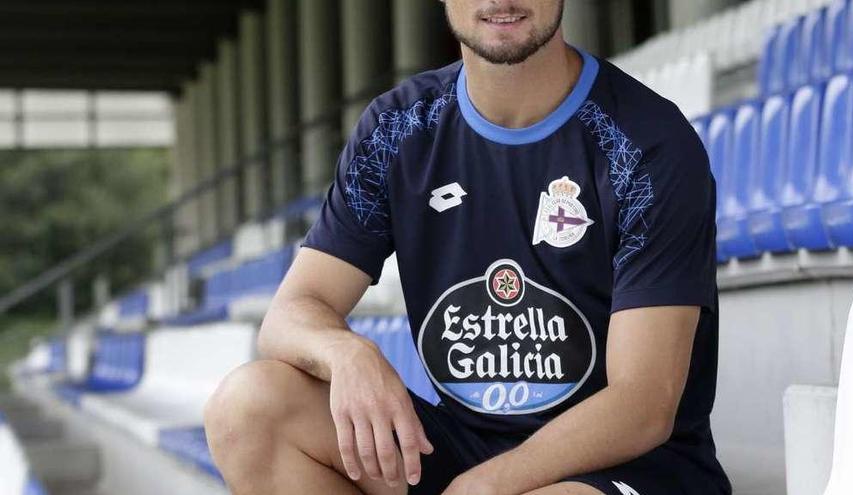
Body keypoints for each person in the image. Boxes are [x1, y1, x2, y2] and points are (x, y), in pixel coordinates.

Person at [204, 1, 732, 493]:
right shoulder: (398, 130)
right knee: (248, 410)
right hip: (463, 448)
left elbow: (643, 404)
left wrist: (488, 485)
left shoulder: (647, 142)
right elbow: (290, 314)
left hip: (623, 465)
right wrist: (348, 353)